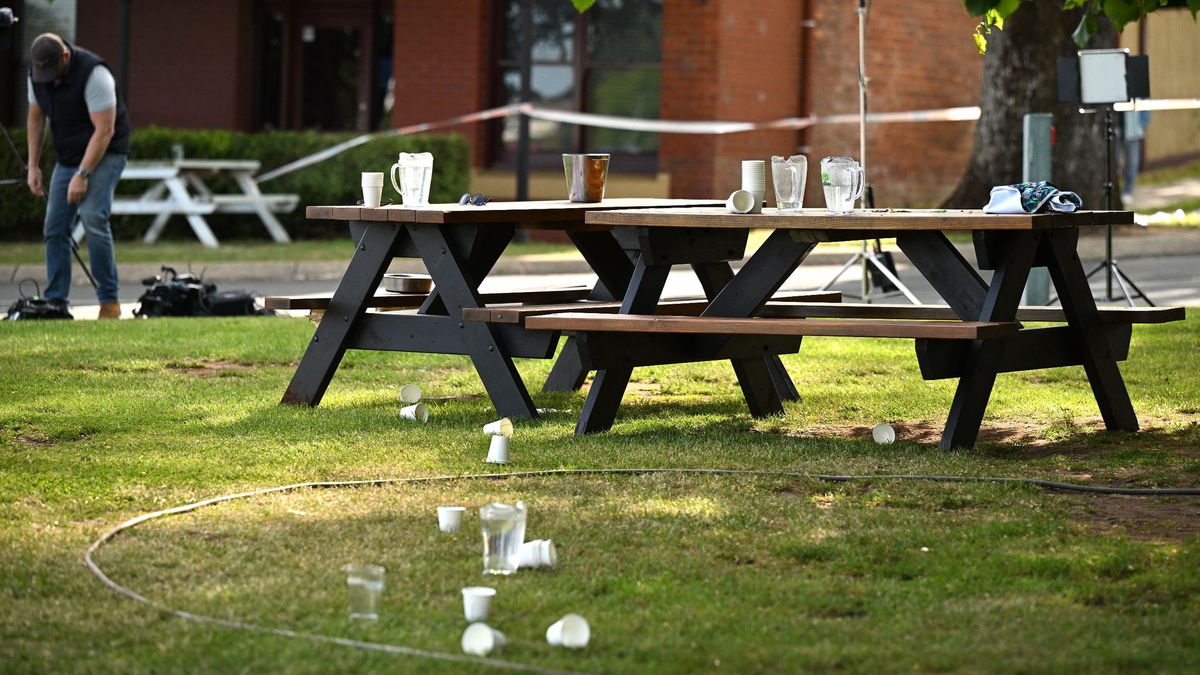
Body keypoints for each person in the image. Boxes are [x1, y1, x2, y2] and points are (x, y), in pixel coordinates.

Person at [26, 33, 131, 319]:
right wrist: (33, 166)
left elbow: (105, 131)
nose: (47, 78)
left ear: (66, 58)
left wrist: (82, 174)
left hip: (107, 151)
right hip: (69, 156)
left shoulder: (94, 74)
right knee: (55, 227)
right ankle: (55, 304)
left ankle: (109, 302)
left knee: (94, 216)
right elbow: (36, 117)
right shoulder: (37, 73)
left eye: (52, 71)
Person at [1120, 108, 1151, 205]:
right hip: (1118, 130)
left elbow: (1145, 106)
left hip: (1133, 131)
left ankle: (1127, 191)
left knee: (1132, 163)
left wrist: (1141, 125)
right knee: (1115, 163)